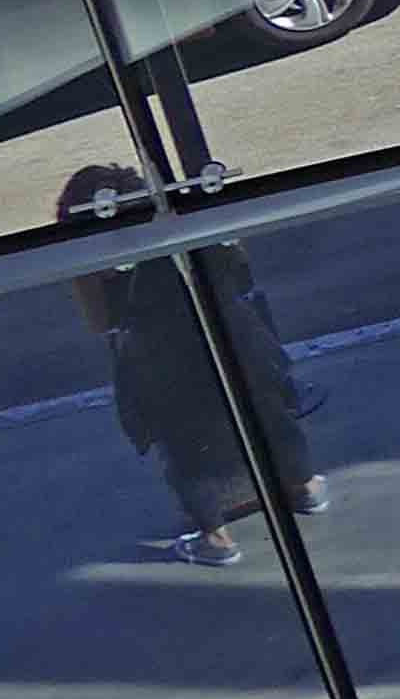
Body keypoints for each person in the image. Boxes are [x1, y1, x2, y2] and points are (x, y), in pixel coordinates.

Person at [64, 169, 315, 567]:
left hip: (161, 356)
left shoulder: (103, 260)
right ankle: (304, 486)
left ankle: (216, 537)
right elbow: (238, 268)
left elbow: (102, 321)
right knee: (268, 411)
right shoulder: (186, 224)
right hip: (235, 332)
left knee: (184, 445)